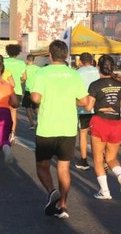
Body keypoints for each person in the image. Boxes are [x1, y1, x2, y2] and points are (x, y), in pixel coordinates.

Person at [31, 40, 90, 220]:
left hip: (47, 127)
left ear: (50, 55)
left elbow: (35, 97)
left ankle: (52, 191)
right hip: (68, 128)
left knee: (42, 166)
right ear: (66, 55)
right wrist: (70, 100)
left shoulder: (42, 73)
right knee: (64, 168)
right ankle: (63, 205)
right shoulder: (73, 74)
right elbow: (85, 102)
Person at [85, 55, 121, 199]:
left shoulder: (95, 85)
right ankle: (120, 175)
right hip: (117, 123)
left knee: (98, 159)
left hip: (100, 121)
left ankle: (105, 191)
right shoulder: (120, 84)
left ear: (98, 67)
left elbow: (89, 107)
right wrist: (117, 104)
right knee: (111, 157)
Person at [75, 52, 100, 171]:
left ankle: (84, 160)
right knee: (97, 134)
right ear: (91, 60)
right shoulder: (97, 71)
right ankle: (101, 158)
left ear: (80, 61)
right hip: (98, 106)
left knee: (83, 134)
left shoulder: (77, 72)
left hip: (83, 107)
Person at [3, 44, 27, 143]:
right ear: (17, 53)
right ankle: (12, 133)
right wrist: (20, 81)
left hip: (3, 91)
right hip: (16, 91)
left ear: (7, 52)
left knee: (3, 112)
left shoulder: (4, 62)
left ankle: (3, 132)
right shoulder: (21, 63)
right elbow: (24, 78)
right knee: (13, 112)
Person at [22, 54, 40, 129]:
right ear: (34, 60)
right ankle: (39, 122)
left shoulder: (24, 68)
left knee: (27, 107)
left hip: (28, 90)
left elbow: (23, 79)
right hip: (36, 89)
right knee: (36, 108)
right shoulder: (39, 69)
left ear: (27, 60)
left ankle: (32, 124)